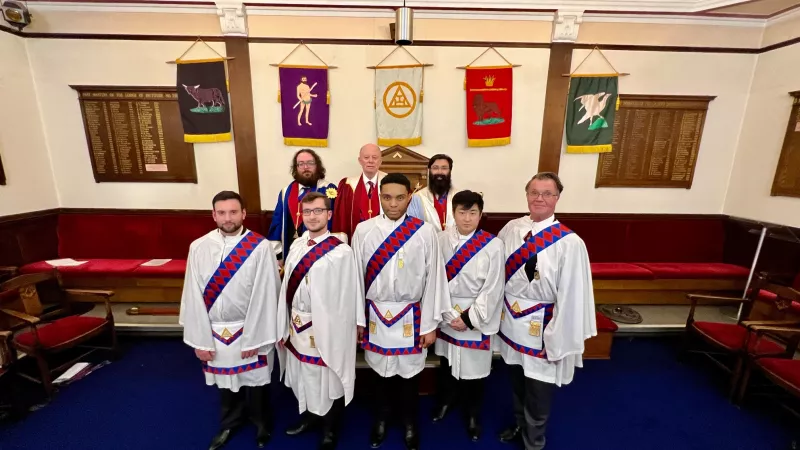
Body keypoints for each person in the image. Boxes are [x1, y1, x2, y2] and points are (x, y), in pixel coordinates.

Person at [495, 172, 597, 450]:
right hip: (511, 320)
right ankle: (519, 424)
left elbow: (572, 293)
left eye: (547, 193)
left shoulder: (569, 243)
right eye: (534, 192)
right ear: (526, 195)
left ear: (557, 198)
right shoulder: (511, 229)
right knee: (516, 381)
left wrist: (557, 333)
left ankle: (534, 441)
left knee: (539, 389)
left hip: (543, 325)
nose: (539, 198)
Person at [351, 173, 449, 450]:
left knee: (409, 376)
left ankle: (409, 422)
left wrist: (430, 324)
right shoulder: (364, 230)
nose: (393, 203)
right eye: (387, 197)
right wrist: (359, 320)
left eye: (399, 197)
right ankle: (381, 420)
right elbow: (355, 279)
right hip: (375, 314)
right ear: (379, 197)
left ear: (409, 197)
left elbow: (434, 280)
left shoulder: (425, 232)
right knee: (380, 374)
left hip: (411, 316)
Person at [179, 190, 281, 450]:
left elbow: (267, 294)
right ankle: (229, 424)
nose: (228, 218)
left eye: (233, 212)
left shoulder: (259, 247)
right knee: (227, 385)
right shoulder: (199, 247)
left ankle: (261, 423)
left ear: (244, 214)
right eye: (221, 213)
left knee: (257, 384)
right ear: (213, 215)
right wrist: (200, 339)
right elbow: (192, 294)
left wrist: (256, 338)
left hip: (250, 327)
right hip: (214, 330)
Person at [277, 192, 360, 450]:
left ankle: (330, 429)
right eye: (308, 212)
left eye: (318, 211)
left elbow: (350, 292)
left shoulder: (341, 252)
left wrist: (348, 326)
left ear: (329, 214)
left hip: (327, 325)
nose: (313, 216)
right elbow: (285, 289)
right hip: (297, 322)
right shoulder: (298, 246)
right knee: (304, 374)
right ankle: (310, 417)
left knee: (328, 375)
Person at [431, 190, 504, 441]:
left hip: (476, 315)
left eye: (473, 213)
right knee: (447, 363)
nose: (467, 218)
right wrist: (448, 313)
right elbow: (433, 280)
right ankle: (446, 402)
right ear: (453, 213)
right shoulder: (439, 240)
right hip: (446, 312)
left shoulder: (493, 245)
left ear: (480, 214)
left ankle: (473, 414)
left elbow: (493, 288)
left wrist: (469, 318)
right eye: (462, 212)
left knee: (476, 371)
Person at [268, 148, 338, 261]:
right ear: (296, 168)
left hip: (321, 253)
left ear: (317, 165)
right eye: (301, 164)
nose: (306, 167)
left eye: (310, 163)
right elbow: (277, 223)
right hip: (290, 252)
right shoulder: (285, 192)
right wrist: (278, 255)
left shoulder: (328, 189)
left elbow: (334, 223)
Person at [331, 143, 387, 241]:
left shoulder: (391, 184)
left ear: (380, 161)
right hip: (356, 243)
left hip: (384, 242)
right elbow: (341, 221)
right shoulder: (347, 186)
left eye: (375, 157)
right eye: (366, 157)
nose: (370, 161)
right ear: (360, 161)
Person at [408, 154, 457, 231]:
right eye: (435, 168)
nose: (439, 172)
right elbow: (411, 226)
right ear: (429, 170)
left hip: (454, 242)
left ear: (450, 170)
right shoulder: (417, 197)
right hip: (427, 242)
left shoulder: (459, 196)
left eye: (444, 168)